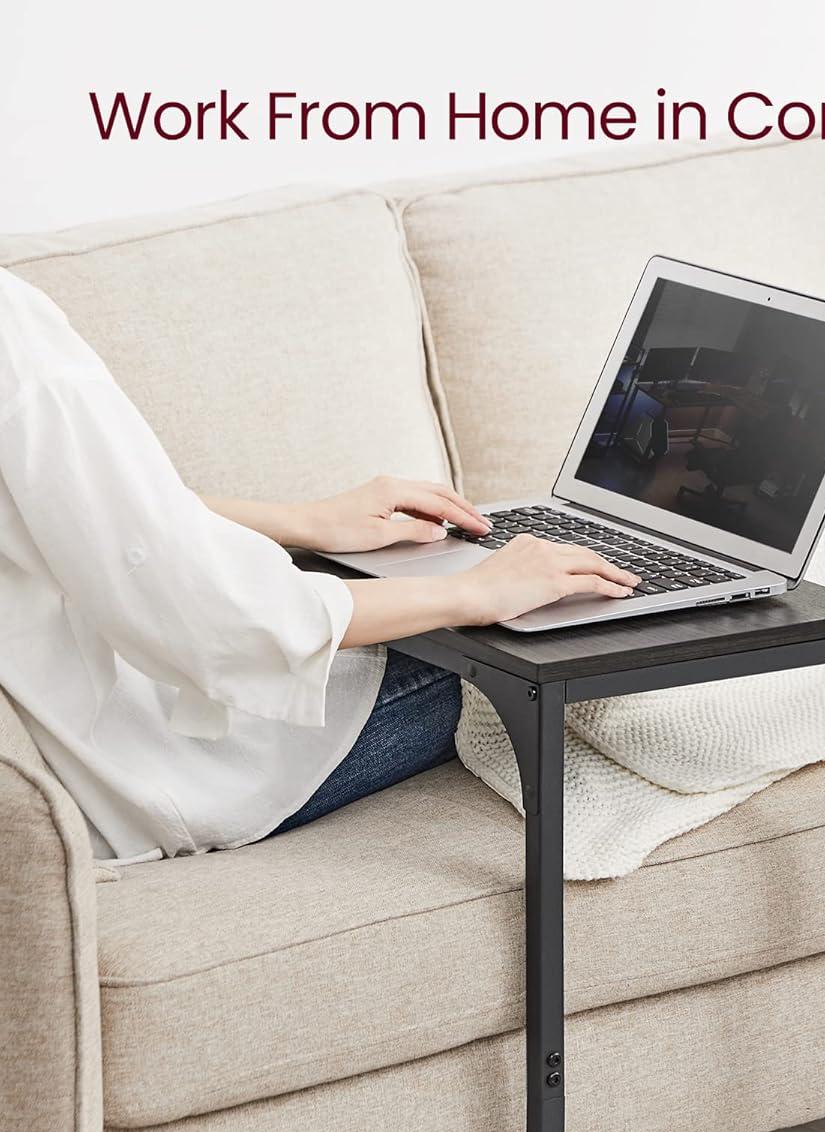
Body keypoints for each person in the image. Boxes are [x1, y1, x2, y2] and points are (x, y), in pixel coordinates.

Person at [0, 269, 639, 862]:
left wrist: (302, 522)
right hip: (147, 774)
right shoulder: (13, 333)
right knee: (566, 640)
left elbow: (80, 513)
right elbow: (215, 621)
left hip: (97, 746)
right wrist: (473, 593)